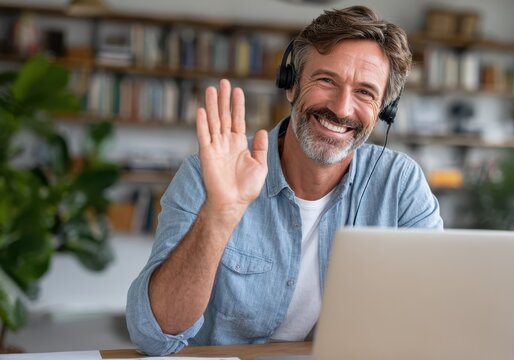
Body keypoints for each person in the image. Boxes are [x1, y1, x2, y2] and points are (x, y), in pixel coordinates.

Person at [126, 5, 443, 356]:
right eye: (326, 80)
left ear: (385, 110)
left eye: (365, 92)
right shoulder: (212, 171)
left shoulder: (400, 184)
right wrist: (219, 215)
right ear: (291, 85)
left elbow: (432, 320)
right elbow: (154, 335)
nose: (341, 108)